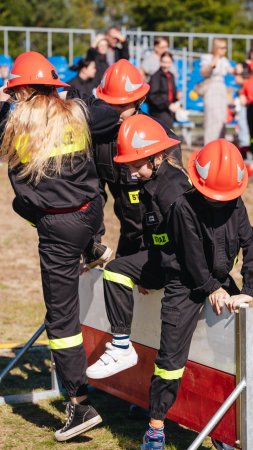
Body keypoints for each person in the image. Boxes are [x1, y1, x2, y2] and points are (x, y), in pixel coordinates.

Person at [0, 51, 118, 441]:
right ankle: (93, 247)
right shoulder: (79, 112)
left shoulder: (12, 120)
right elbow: (113, 113)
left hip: (58, 228)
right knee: (26, 202)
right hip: (91, 213)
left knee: (62, 322)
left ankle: (79, 403)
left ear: (22, 89)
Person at [141, 138, 253, 450]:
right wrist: (212, 288)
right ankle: (155, 430)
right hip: (185, 284)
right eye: (214, 197)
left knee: (227, 360)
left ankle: (223, 430)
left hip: (221, 284)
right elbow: (192, 257)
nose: (220, 202)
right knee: (170, 359)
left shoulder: (236, 204)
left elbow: (251, 243)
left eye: (226, 198)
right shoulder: (183, 207)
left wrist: (250, 289)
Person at [86, 114, 190, 380]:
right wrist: (145, 270)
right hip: (162, 259)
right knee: (116, 269)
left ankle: (123, 348)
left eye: (135, 166)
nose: (131, 173)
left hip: (181, 268)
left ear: (156, 158)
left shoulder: (173, 189)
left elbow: (190, 242)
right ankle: (122, 346)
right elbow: (153, 234)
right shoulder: (150, 183)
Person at [93, 59, 182, 258]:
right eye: (110, 104)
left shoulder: (163, 139)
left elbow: (175, 199)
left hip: (164, 242)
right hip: (130, 236)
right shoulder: (99, 141)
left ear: (139, 100)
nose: (114, 111)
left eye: (122, 105)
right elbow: (94, 193)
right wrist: (93, 241)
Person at [200, 38, 234, 144]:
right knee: (212, 119)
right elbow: (203, 72)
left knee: (221, 120)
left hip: (221, 89)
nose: (225, 50)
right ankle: (209, 145)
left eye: (225, 48)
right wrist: (213, 62)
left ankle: (220, 145)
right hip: (211, 88)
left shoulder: (224, 61)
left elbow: (232, 71)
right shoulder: (207, 58)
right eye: (222, 48)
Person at [147, 51, 180, 128]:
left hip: (168, 110)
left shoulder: (171, 76)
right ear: (160, 62)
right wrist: (168, 104)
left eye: (168, 62)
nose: (165, 65)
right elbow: (153, 96)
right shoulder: (155, 76)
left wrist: (176, 98)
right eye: (163, 62)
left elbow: (171, 93)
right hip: (158, 111)